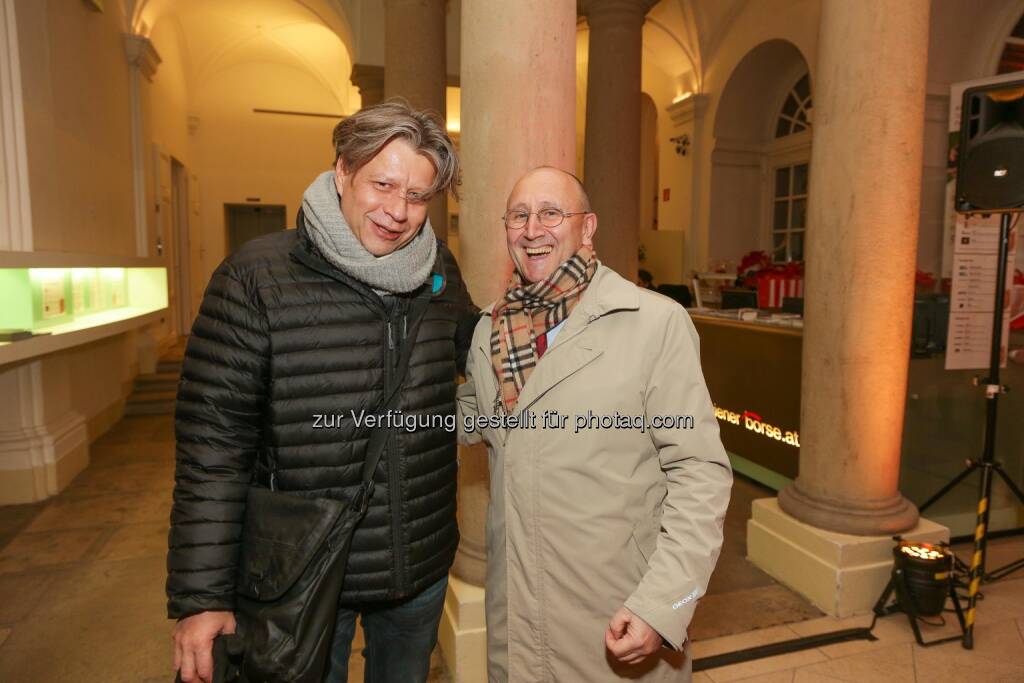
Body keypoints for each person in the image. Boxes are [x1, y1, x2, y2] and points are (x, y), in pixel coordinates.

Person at [167, 101, 477, 683]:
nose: (397, 211)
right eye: (382, 184)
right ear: (342, 172)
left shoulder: (438, 269)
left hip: (419, 561)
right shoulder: (256, 277)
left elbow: (475, 349)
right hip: (303, 571)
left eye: (416, 195)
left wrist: (551, 315)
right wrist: (201, 596)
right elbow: (213, 449)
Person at [457, 167, 732, 681]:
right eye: (519, 216)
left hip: (617, 614)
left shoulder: (654, 322)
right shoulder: (487, 331)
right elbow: (482, 421)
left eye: (551, 213)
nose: (532, 229)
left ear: (587, 228)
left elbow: (701, 473)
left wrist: (665, 604)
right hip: (516, 619)